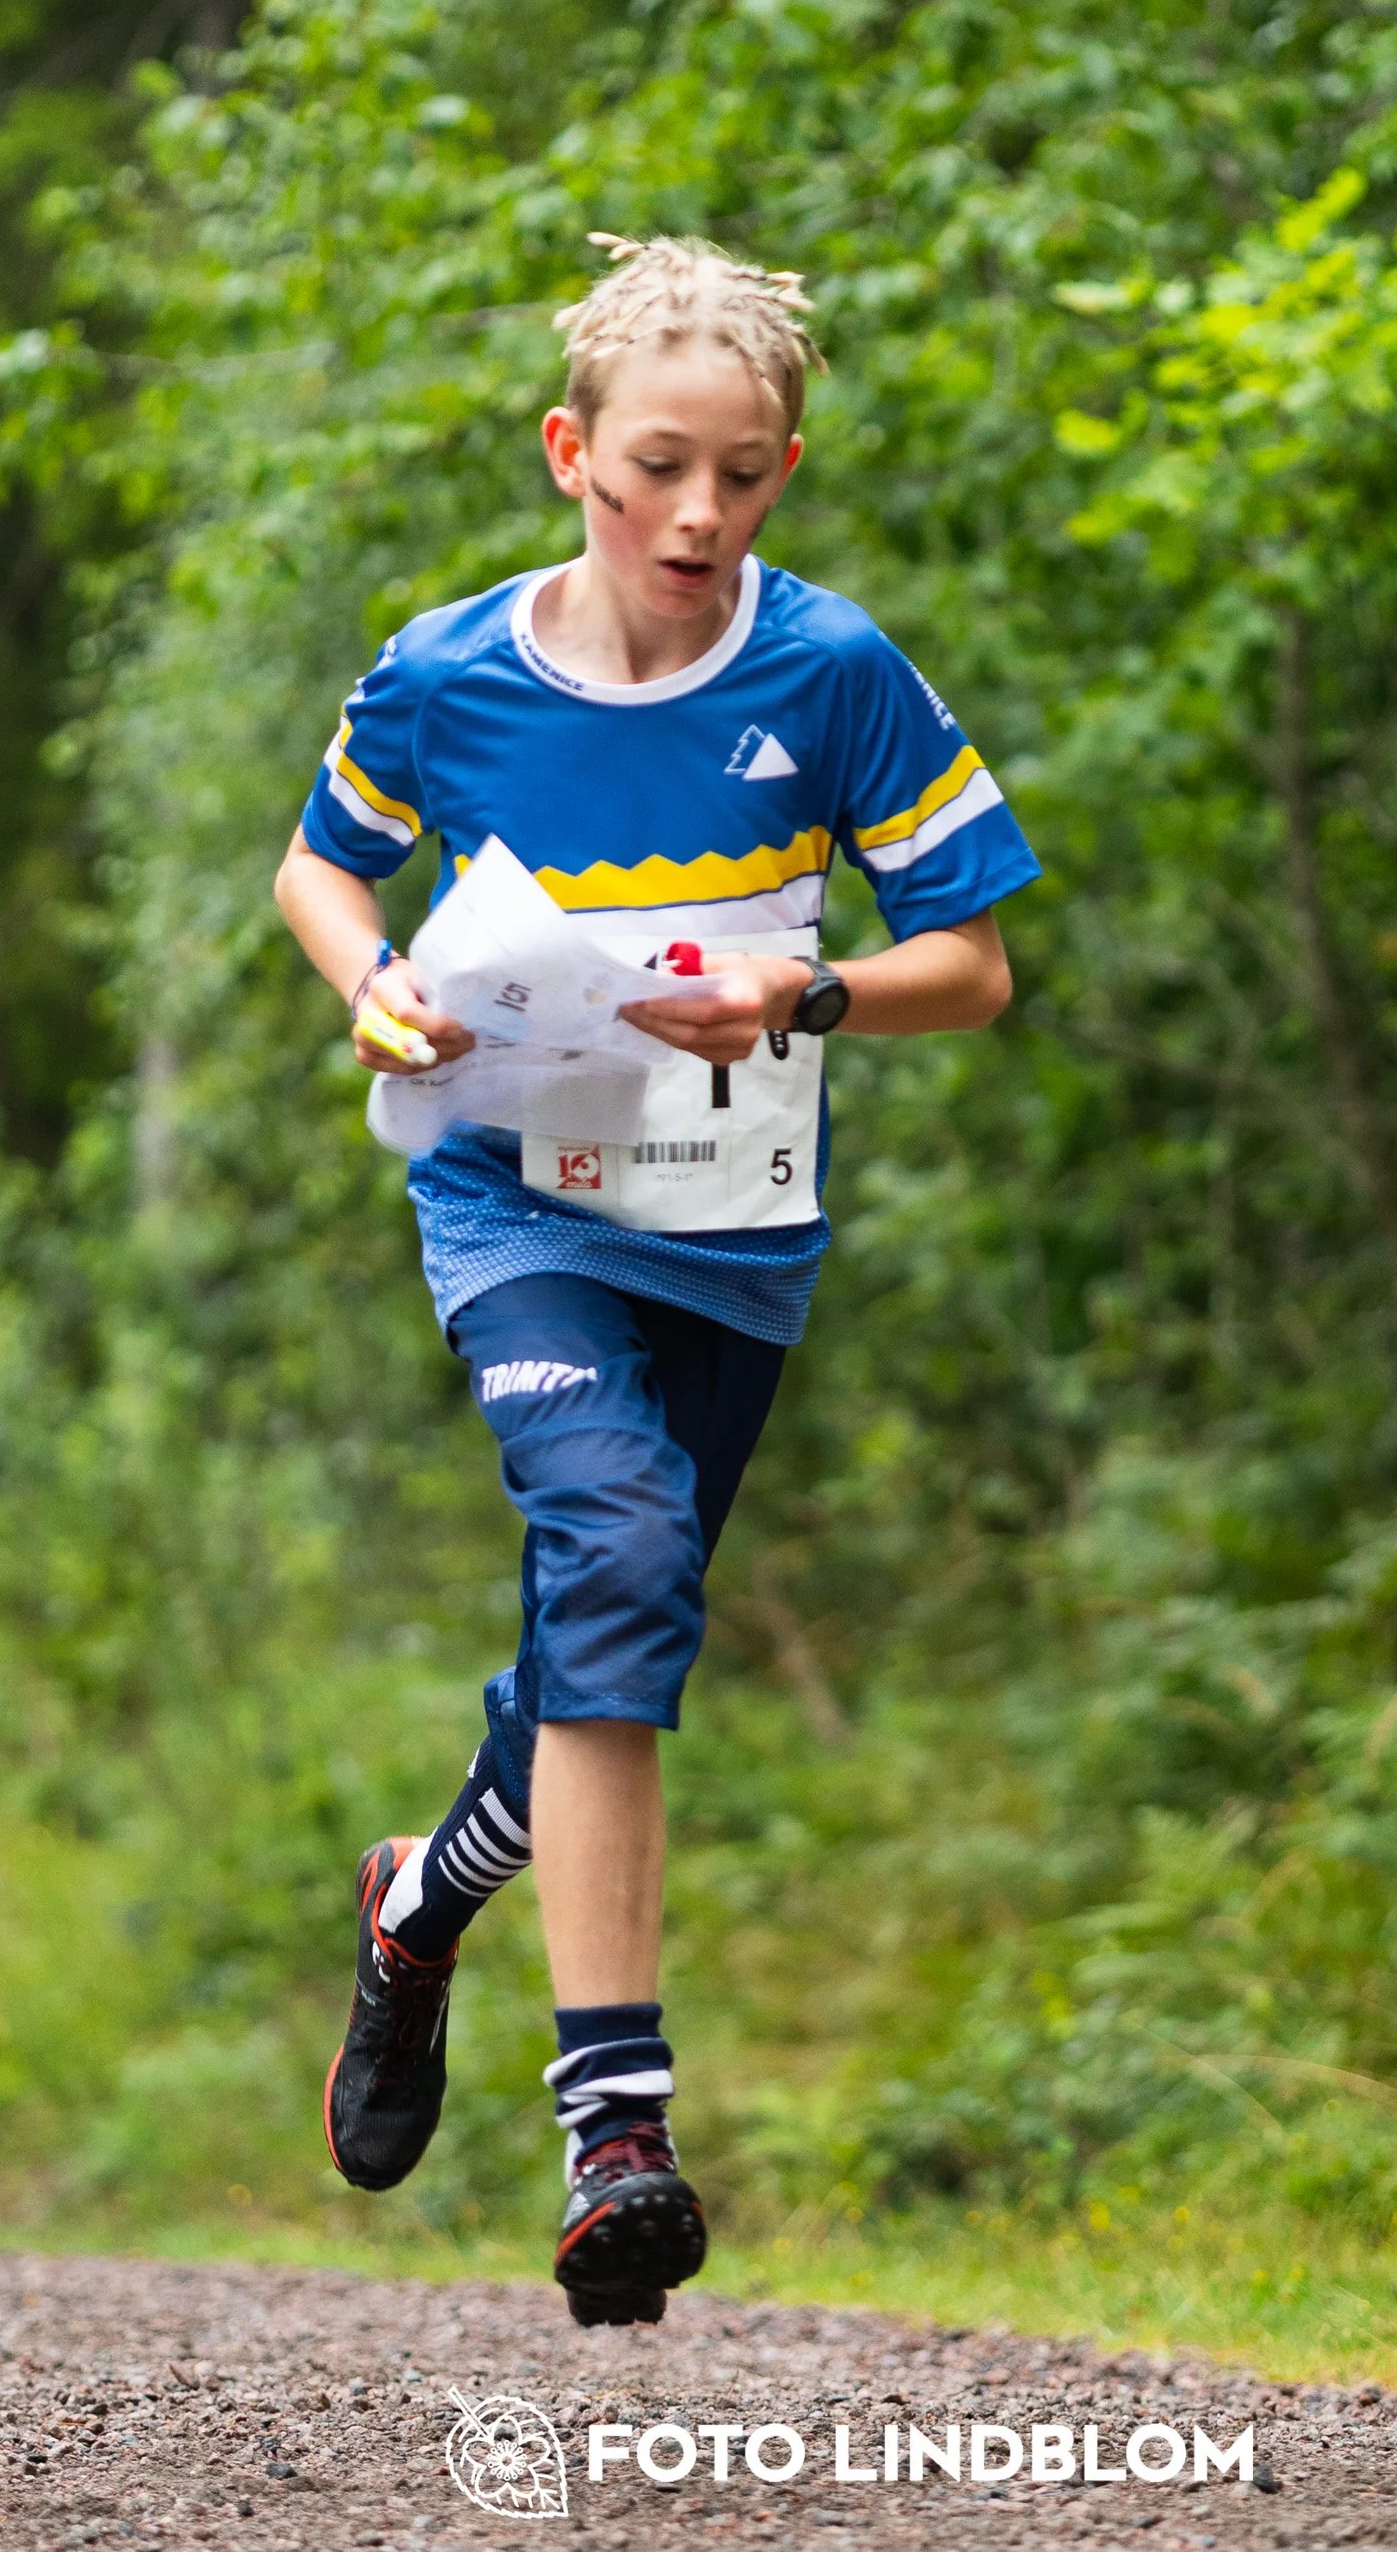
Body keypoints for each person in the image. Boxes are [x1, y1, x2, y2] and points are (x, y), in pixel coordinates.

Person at [272, 233, 1039, 2326]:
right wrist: (374, 995)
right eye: (655, 472)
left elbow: (972, 964)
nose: (698, 518)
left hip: (730, 1227)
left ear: (783, 470)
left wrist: (813, 992)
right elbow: (319, 861)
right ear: (569, 454)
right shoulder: (447, 672)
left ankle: (420, 1897)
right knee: (609, 1543)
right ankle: (614, 2126)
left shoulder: (831, 674)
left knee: (616, 1608)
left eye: (743, 475)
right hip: (512, 1198)